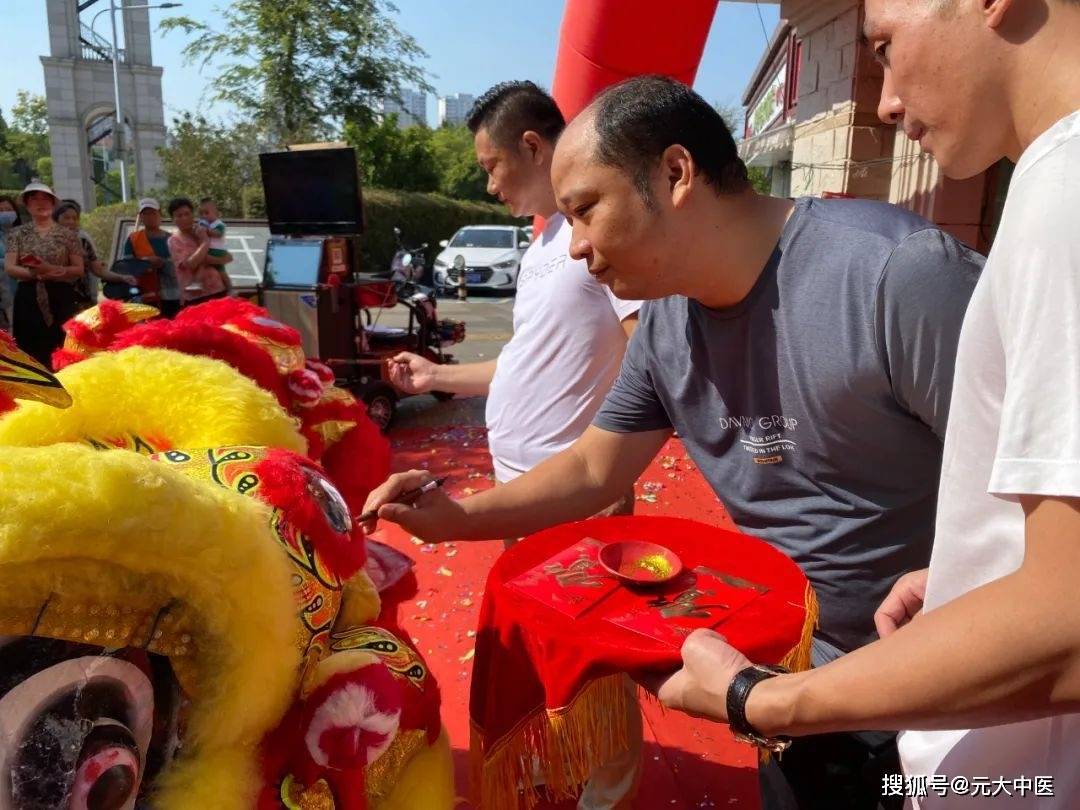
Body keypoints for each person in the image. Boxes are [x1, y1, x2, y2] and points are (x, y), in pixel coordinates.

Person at [363, 76, 985, 809]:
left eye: (587, 210)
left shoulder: (897, 278)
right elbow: (597, 467)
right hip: (783, 682)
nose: (578, 248)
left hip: (949, 700)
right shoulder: (665, 328)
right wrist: (458, 517)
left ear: (675, 173)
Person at [646, 1, 1080, 807]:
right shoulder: (1047, 192)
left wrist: (759, 700)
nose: (882, 99)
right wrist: (967, 575)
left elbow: (1071, 622)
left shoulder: (1059, 204)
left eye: (884, 44)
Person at [388, 81, 643, 810]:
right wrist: (437, 374)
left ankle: (610, 791)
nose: (488, 182)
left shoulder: (595, 231)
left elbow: (646, 351)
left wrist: (611, 468)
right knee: (547, 650)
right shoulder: (541, 245)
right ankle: (568, 768)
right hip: (523, 491)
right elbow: (522, 362)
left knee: (597, 659)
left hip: (576, 494)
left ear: (534, 146)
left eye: (492, 164)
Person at [3, 182, 85, 367]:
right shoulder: (17, 234)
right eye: (34, 199)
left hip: (60, 295)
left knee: (63, 345)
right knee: (30, 347)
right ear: (27, 204)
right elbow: (10, 267)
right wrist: (35, 274)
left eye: (45, 199)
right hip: (28, 295)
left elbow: (78, 269)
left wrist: (55, 271)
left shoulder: (68, 234)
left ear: (53, 203)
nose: (40, 203)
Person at [53, 200, 137, 307]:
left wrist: (122, 277)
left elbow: (98, 269)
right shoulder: (46, 242)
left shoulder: (83, 241)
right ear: (55, 219)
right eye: (66, 218)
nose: (71, 222)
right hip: (55, 300)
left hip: (82, 301)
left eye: (74, 218)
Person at [167, 197, 233, 304]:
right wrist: (205, 242)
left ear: (193, 215)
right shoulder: (174, 241)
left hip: (218, 289)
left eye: (187, 214)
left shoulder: (203, 230)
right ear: (173, 219)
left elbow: (228, 257)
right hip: (195, 297)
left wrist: (205, 259)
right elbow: (191, 264)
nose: (184, 218)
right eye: (179, 215)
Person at [122, 198, 180, 318]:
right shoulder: (133, 239)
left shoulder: (172, 239)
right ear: (140, 217)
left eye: (153, 213)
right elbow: (126, 267)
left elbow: (180, 267)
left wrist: (162, 263)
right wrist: (145, 263)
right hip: (144, 295)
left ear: (160, 215)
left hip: (171, 295)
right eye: (145, 213)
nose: (149, 217)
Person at [0, 195, 21, 331]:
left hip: (24, 291)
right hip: (4, 293)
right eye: (0, 210)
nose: (4, 213)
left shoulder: (24, 234)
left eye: (8, 209)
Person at [197, 197, 231, 267]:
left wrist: (208, 231)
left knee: (220, 271)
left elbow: (219, 234)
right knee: (203, 268)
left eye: (206, 213)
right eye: (201, 213)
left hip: (216, 250)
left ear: (216, 213)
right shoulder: (203, 223)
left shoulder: (218, 224)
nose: (203, 216)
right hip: (207, 249)